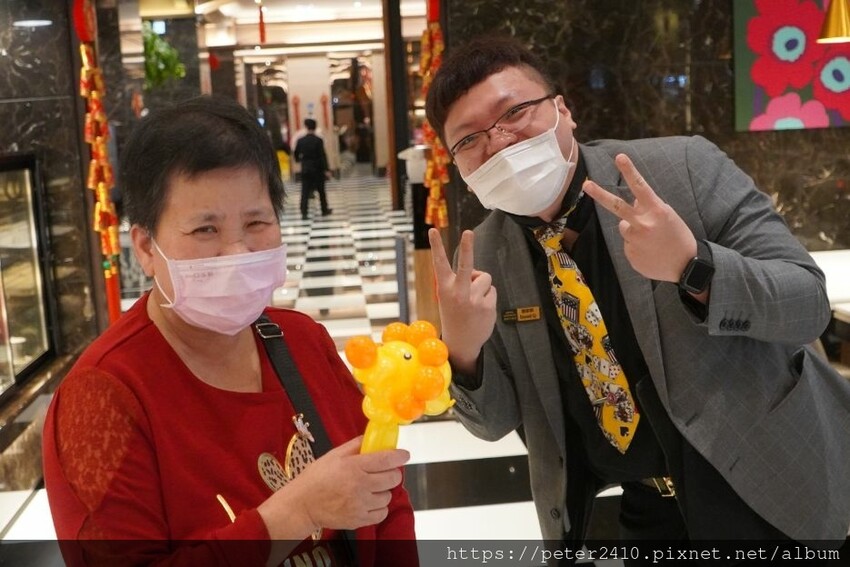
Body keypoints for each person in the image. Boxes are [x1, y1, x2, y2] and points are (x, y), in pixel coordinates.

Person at [425, 35, 850, 561]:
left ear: (564, 110)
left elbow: (806, 303)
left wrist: (693, 266)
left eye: (515, 111)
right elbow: (491, 424)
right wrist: (463, 354)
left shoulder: (684, 171)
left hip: (767, 479)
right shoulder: (485, 254)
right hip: (643, 512)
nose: (499, 141)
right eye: (469, 140)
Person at [42, 95, 417, 566]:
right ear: (144, 247)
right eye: (205, 230)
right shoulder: (104, 398)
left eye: (257, 222)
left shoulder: (302, 340)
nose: (236, 252)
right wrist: (295, 513)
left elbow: (385, 502)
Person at [294, 118, 333, 220]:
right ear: (315, 127)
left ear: (306, 127)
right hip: (318, 168)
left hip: (306, 168)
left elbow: (296, 154)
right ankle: (324, 210)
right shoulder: (318, 140)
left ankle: (304, 212)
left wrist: (300, 160)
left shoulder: (300, 140)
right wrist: (326, 169)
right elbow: (322, 156)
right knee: (321, 190)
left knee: (305, 191)